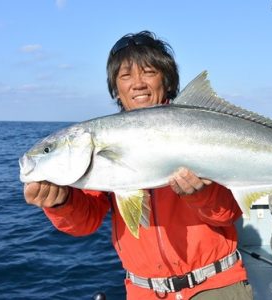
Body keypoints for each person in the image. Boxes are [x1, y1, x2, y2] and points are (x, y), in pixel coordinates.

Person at [23, 31, 253, 300]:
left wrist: (200, 194)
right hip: (144, 292)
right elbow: (86, 222)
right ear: (116, 90)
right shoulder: (105, 148)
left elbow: (227, 214)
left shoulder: (197, 130)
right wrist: (60, 203)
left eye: (148, 72)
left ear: (167, 81)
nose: (138, 84)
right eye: (125, 76)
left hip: (216, 286)